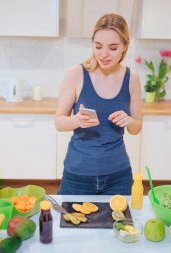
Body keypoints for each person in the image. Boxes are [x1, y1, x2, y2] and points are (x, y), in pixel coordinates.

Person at [55, 13, 142, 195]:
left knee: (119, 224)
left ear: (125, 46)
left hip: (118, 175)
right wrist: (76, 120)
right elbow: (59, 121)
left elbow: (136, 127)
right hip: (77, 174)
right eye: (98, 46)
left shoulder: (132, 78)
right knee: (70, 222)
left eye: (113, 48)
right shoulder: (76, 74)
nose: (104, 54)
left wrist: (129, 121)